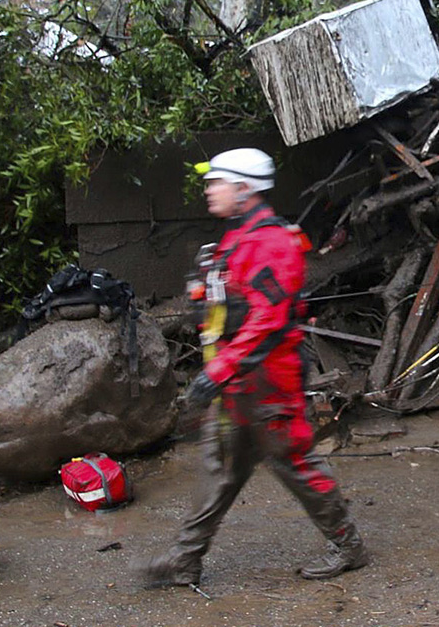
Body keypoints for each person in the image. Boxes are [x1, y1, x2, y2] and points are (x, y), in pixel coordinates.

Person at [138, 148, 367, 586]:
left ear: (243, 188)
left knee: (295, 464)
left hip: (269, 384)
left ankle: (348, 545)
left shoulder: (270, 243)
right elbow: (231, 306)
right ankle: (186, 559)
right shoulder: (234, 238)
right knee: (220, 468)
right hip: (238, 384)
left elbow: (269, 319)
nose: (208, 190)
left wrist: (219, 370)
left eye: (216, 182)